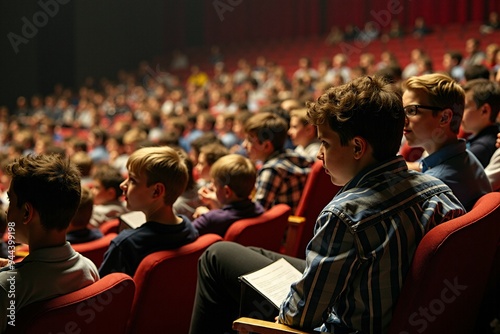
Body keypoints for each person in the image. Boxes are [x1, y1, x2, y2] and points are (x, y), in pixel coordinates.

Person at [188, 76, 466, 334]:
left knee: (216, 256)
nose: (319, 155)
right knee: (254, 254)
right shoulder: (438, 190)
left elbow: (299, 318)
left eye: (325, 143)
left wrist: (277, 318)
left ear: (357, 148)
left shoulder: (344, 215)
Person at [0, 154, 99, 332]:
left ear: (26, 213)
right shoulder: (89, 268)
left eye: (10, 201)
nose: (7, 210)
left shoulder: (6, 287)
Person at [98, 146, 198, 277]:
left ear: (156, 191)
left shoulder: (125, 245)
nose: (123, 185)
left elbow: (104, 293)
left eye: (132, 180)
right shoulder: (190, 229)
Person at [402, 73, 492, 210]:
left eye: (411, 110)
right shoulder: (465, 156)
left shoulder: (433, 185)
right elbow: (421, 167)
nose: (404, 120)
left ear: (444, 117)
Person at [243, 112, 313, 213]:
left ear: (266, 146)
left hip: (282, 227)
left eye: (249, 140)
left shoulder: (271, 170)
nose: (244, 145)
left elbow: (257, 212)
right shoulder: (296, 157)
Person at [192, 154, 264, 237]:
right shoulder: (258, 209)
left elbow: (183, 236)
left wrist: (205, 215)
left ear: (227, 192)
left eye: (214, 184)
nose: (211, 186)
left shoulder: (210, 219)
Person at [462, 78, 500, 167]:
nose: (459, 112)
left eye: (465, 107)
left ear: (484, 111)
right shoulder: (482, 138)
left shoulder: (482, 148)